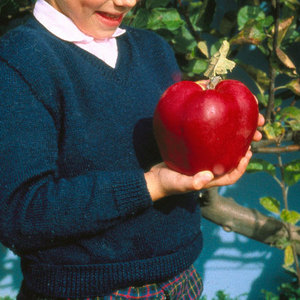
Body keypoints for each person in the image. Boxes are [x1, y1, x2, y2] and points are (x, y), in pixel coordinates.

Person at [0, 0, 264, 299]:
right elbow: (19, 215)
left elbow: (177, 150)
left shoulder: (154, 49)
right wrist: (151, 185)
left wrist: (219, 121)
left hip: (182, 279)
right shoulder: (18, 62)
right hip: (87, 291)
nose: (127, 1)